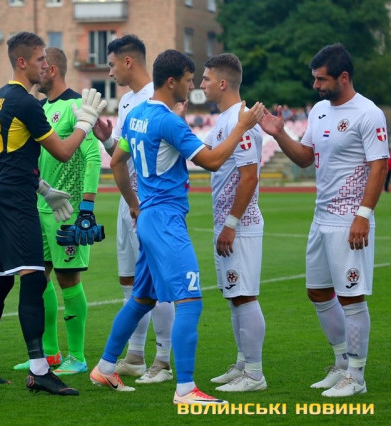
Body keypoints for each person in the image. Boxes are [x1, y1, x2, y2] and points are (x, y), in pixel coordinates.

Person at [90, 49, 264, 405]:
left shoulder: (137, 114)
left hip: (148, 217)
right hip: (166, 221)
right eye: (188, 79)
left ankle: (105, 367)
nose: (192, 85)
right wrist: (242, 127)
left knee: (141, 299)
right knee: (190, 301)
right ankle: (185, 389)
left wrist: (135, 203)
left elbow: (117, 161)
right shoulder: (169, 122)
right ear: (172, 82)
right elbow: (212, 161)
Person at [0, 31, 106, 396]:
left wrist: (43, 189)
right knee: (33, 279)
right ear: (23, 62)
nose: (46, 64)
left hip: (2, 193)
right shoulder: (27, 102)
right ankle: (41, 369)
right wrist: (85, 123)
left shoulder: (0, 96)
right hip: (16, 200)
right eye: (40, 59)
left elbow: (11, 156)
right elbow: (63, 151)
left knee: (0, 279)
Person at [259, 43, 388, 397]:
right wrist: (279, 133)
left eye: (321, 79)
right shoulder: (318, 110)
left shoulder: (368, 113)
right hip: (321, 217)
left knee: (352, 297)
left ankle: (356, 377)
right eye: (314, 79)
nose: (315, 85)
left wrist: (363, 215)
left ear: (343, 77)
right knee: (317, 291)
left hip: (350, 220)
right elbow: (304, 158)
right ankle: (342, 362)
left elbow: (379, 166)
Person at [11, 47, 103, 376]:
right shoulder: (39, 108)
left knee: (68, 279)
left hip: (68, 210)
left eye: (41, 65)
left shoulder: (77, 107)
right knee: (38, 278)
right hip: (40, 205)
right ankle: (50, 354)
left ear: (51, 69)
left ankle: (77, 357)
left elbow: (93, 157)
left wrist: (86, 208)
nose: (36, 72)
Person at [93, 34, 175, 384]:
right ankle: (136, 356)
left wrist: (143, 203)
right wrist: (106, 139)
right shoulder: (127, 101)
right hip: (129, 202)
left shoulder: (161, 99)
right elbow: (124, 155)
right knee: (130, 279)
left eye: (112, 65)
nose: (110, 72)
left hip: (150, 205)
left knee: (157, 281)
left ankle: (163, 360)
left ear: (129, 61)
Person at [200, 53, 267, 392]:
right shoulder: (226, 120)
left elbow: (249, 177)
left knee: (244, 296)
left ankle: (254, 374)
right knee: (234, 295)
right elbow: (206, 159)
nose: (202, 84)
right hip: (227, 223)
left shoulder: (241, 120)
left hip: (239, 225)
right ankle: (242, 364)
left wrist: (231, 223)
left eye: (206, 79)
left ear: (223, 83)